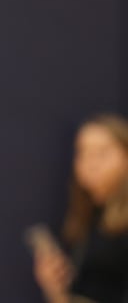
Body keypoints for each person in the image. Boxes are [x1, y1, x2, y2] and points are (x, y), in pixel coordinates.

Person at [33, 115, 128, 303]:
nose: (90, 163)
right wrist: (54, 288)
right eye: (83, 153)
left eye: (101, 153)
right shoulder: (87, 219)